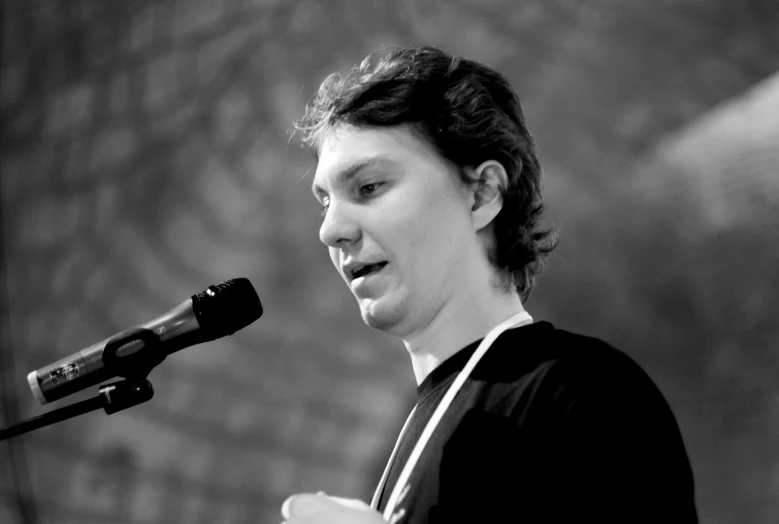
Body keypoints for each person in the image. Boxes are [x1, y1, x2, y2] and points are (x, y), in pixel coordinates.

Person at [281, 46, 698, 523]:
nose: (330, 229)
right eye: (324, 202)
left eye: (369, 187)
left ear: (482, 194)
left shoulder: (584, 389)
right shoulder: (421, 425)